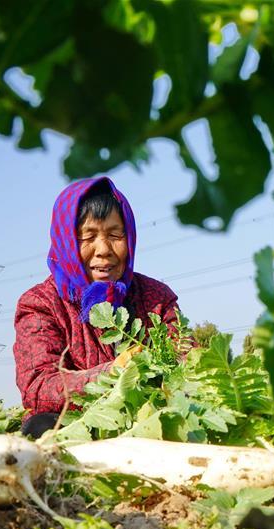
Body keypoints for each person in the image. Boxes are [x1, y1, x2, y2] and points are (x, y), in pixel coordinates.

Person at [14, 177, 182, 438]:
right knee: (42, 427)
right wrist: (113, 373)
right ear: (66, 241)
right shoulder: (41, 304)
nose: (103, 250)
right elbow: (38, 386)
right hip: (78, 424)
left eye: (115, 235)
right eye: (88, 236)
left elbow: (185, 356)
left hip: (146, 417)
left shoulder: (156, 298)